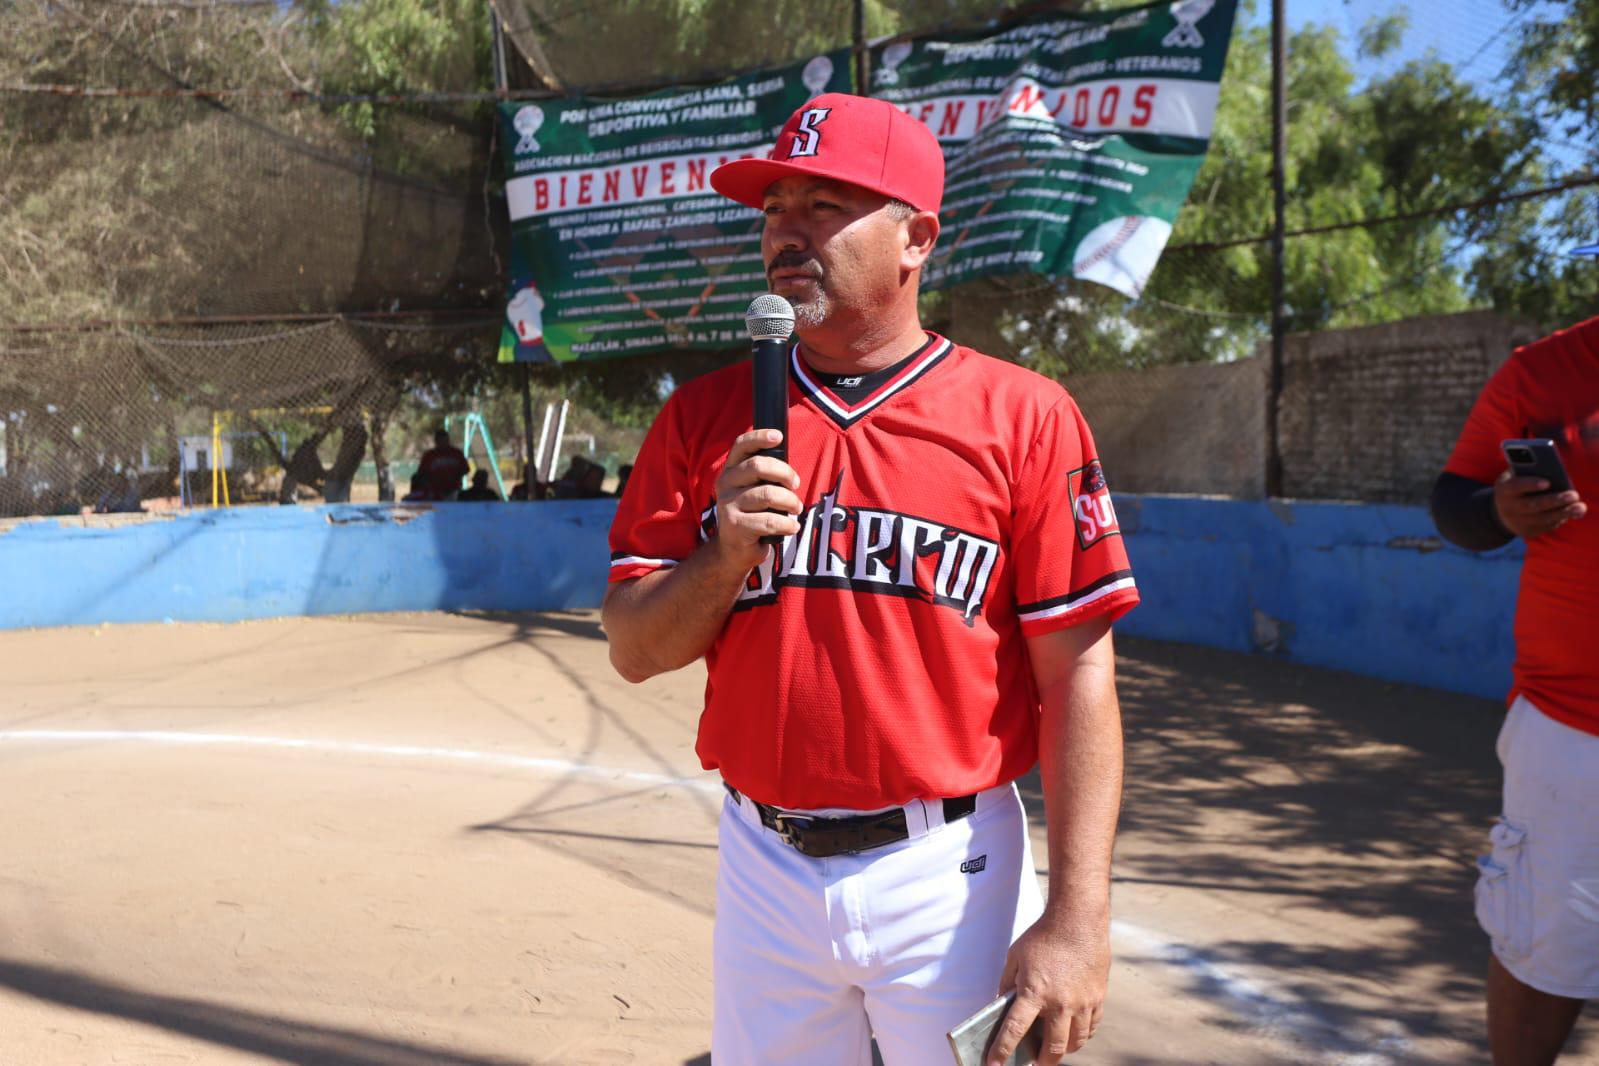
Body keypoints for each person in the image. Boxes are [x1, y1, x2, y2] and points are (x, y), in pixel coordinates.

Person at [602, 93, 1139, 1066]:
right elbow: (638, 648)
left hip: (950, 870)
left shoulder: (1022, 418)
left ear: (915, 239)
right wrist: (724, 552)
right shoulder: (702, 420)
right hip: (762, 861)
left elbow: (1079, 676)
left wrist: (1079, 917)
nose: (786, 231)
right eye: (774, 208)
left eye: (824, 204)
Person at [1430, 241, 1598, 1066]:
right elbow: (1453, 500)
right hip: (1572, 730)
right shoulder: (1543, 372)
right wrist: (1499, 510)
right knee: (1543, 950)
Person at [417, 428, 470, 500]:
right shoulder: (430, 455)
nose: (443, 443)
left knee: (452, 509)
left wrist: (455, 478)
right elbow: (422, 473)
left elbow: (466, 469)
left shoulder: (456, 453)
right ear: (436, 441)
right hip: (434, 492)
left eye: (445, 441)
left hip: (453, 490)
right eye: (440, 441)